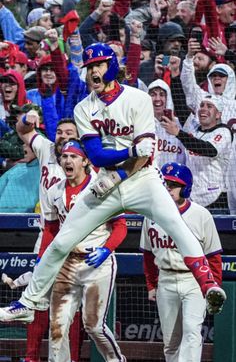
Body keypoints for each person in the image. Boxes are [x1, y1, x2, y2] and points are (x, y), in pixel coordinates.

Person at [0, 43, 226, 325]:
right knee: (61, 242)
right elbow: (96, 154)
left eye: (99, 65)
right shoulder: (84, 108)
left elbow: (145, 157)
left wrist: (120, 173)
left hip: (141, 180)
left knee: (178, 227)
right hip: (106, 182)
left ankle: (208, 286)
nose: (94, 71)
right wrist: (129, 154)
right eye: (89, 67)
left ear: (112, 66)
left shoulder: (138, 98)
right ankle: (29, 303)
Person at [6, 116, 82, 362]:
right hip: (47, 235)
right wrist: (27, 119)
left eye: (69, 132)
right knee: (36, 299)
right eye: (59, 131)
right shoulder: (47, 149)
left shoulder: (86, 162)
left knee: (72, 304)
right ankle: (32, 361)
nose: (62, 136)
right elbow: (22, 129)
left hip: (75, 241)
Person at [46, 139, 127, 362]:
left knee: (93, 325)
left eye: (73, 156)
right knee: (57, 324)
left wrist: (106, 249)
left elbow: (120, 227)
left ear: (85, 161)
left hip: (97, 262)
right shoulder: (55, 190)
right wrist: (43, 262)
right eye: (64, 157)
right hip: (67, 263)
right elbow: (50, 231)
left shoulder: (103, 186)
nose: (67, 161)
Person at [140, 162, 223, 362]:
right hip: (165, 277)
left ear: (185, 188)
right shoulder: (151, 214)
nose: (168, 189)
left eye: (174, 185)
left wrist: (212, 286)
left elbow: (213, 256)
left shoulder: (201, 215)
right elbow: (148, 255)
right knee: (170, 339)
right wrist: (151, 285)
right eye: (165, 184)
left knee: (192, 329)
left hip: (194, 280)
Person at [160, 94, 233, 208]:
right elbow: (180, 107)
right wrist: (175, 78)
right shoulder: (194, 129)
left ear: (218, 114)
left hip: (216, 199)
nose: (203, 108)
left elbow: (209, 149)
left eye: (209, 106)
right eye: (202, 105)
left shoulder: (224, 131)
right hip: (193, 197)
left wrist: (178, 133)